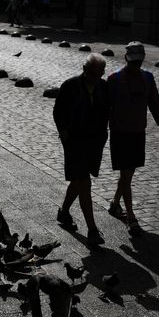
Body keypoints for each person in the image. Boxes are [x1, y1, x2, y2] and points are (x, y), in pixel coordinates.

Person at [107, 41, 159, 236]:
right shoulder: (114, 79)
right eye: (133, 61)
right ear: (126, 58)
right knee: (126, 174)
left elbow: (155, 104)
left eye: (139, 61)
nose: (136, 65)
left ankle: (115, 203)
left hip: (137, 133)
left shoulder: (148, 78)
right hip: (120, 133)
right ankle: (131, 217)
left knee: (128, 174)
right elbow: (105, 108)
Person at [53, 53, 108, 246]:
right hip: (74, 141)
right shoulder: (70, 86)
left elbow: (106, 113)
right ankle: (92, 229)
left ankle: (64, 211)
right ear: (85, 70)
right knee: (84, 182)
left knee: (78, 180)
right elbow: (58, 111)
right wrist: (63, 131)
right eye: (94, 74)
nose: (97, 78)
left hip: (94, 142)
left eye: (100, 74)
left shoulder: (103, 87)